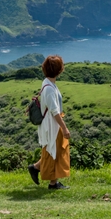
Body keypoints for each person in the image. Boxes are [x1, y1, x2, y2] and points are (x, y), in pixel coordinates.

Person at [28, 55, 70, 190]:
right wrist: (64, 128)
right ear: (59, 70)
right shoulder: (50, 88)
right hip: (52, 124)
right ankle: (53, 183)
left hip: (52, 123)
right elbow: (54, 111)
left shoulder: (47, 83)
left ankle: (35, 168)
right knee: (53, 151)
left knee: (52, 150)